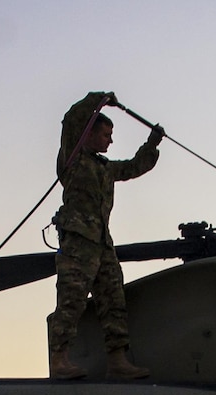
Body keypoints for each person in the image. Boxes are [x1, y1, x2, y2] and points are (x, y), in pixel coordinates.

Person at [47, 91, 164, 380]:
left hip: (101, 243)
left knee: (114, 300)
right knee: (72, 299)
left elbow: (135, 167)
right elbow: (72, 119)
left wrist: (152, 142)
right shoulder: (73, 158)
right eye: (105, 134)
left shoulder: (104, 168)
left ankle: (117, 360)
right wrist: (99, 99)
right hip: (78, 242)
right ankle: (59, 359)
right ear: (89, 133)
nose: (110, 140)